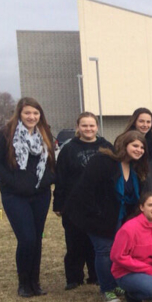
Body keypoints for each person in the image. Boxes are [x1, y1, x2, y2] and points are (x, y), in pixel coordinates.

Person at [65, 130, 148, 302]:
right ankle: (106, 288)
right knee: (104, 251)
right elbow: (85, 190)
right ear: (124, 144)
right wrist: (97, 214)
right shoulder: (103, 161)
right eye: (135, 145)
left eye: (141, 147)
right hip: (96, 217)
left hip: (119, 217)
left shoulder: (135, 168)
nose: (139, 149)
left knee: (116, 252)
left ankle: (114, 282)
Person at [0, 97, 55, 297]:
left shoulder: (44, 134)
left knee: (37, 239)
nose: (32, 117)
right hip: (15, 196)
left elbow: (51, 162)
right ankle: (23, 282)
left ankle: (35, 282)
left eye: (35, 113)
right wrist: (14, 181)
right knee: (26, 238)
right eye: (27, 113)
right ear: (20, 113)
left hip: (40, 195)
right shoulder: (6, 134)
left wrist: (47, 180)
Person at [53, 112, 112, 290]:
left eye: (92, 125)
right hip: (74, 204)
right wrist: (58, 203)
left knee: (96, 243)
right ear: (78, 127)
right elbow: (60, 177)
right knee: (74, 242)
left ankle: (95, 275)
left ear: (97, 127)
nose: (88, 129)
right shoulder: (69, 149)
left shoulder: (106, 147)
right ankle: (74, 277)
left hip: (99, 203)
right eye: (84, 125)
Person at [122, 107, 152, 194]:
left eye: (148, 122)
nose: (145, 125)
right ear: (134, 122)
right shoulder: (123, 139)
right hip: (133, 176)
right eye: (141, 121)